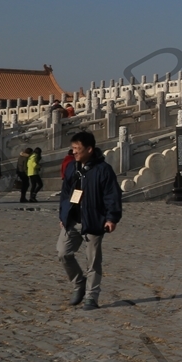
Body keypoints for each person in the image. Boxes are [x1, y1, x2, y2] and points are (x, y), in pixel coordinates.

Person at [57, 130, 121, 311]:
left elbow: (112, 195)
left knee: (92, 261)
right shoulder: (72, 168)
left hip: (94, 220)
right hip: (73, 219)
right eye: (73, 149)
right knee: (63, 253)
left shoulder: (103, 170)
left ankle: (91, 297)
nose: (74, 152)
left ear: (90, 149)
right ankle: (79, 283)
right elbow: (65, 194)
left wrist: (111, 218)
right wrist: (63, 215)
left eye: (77, 149)